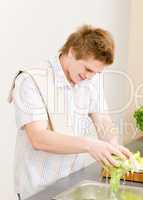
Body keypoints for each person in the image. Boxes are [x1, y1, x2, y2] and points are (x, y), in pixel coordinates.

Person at [8, 25, 132, 199]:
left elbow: (102, 119)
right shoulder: (31, 80)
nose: (90, 76)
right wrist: (90, 145)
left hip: (74, 184)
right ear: (72, 52)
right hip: (39, 190)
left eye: (96, 73)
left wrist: (112, 145)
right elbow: (38, 138)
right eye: (88, 69)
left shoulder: (90, 79)